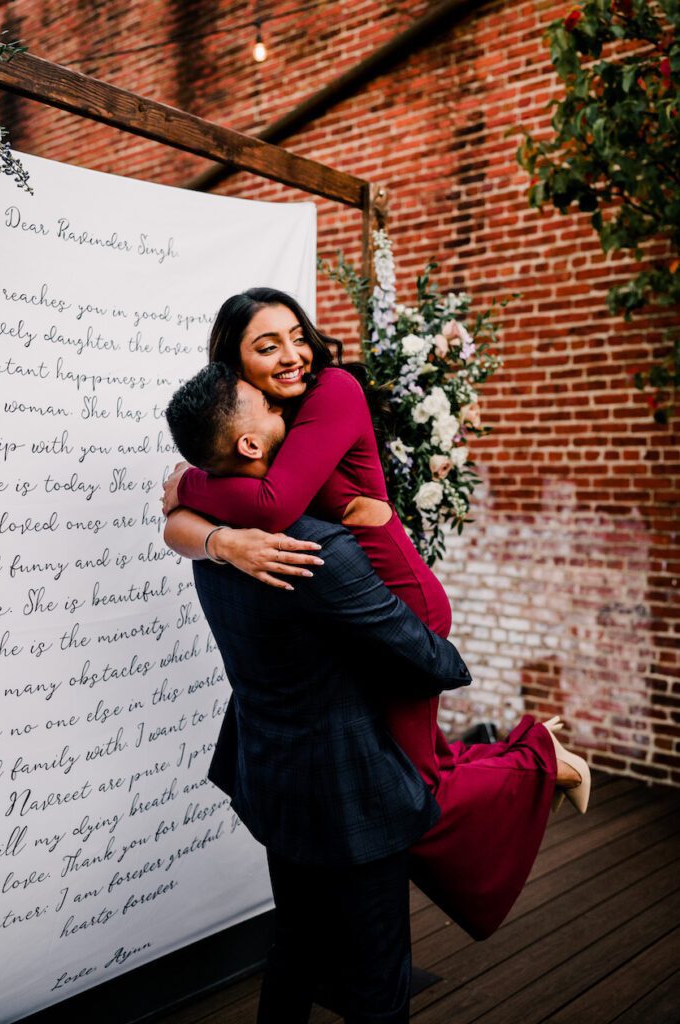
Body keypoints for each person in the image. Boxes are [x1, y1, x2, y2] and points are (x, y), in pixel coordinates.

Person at [163, 288, 590, 941]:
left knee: (414, 782)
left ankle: (541, 759)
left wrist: (185, 483)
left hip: (392, 593)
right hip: (341, 600)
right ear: (235, 364)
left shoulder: (331, 391)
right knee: (407, 764)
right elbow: (180, 529)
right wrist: (220, 538)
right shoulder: (257, 421)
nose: (291, 353)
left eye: (295, 334)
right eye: (266, 345)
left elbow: (272, 506)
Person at [174, 363, 475, 1023]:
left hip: (273, 775)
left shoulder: (210, 542)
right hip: (349, 792)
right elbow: (424, 656)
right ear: (251, 446)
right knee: (377, 981)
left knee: (294, 947)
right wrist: (446, 652)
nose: (284, 405)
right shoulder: (317, 549)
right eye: (265, 403)